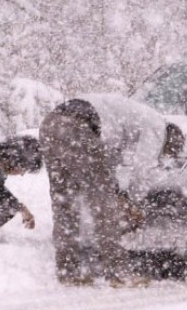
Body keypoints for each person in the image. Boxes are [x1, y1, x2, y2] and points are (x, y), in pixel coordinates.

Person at [39, 99, 145, 287]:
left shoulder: (126, 111)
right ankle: (119, 273)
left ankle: (68, 271)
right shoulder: (146, 124)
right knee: (104, 207)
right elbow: (105, 166)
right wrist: (122, 197)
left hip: (49, 125)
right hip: (76, 128)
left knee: (64, 204)